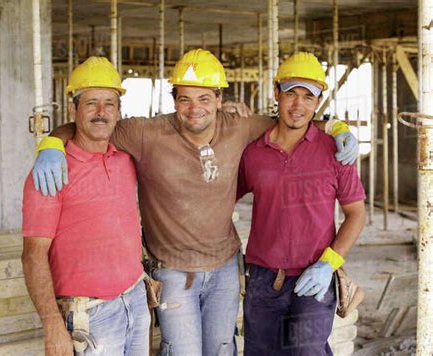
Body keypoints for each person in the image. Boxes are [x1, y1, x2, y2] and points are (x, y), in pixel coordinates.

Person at [31, 49, 359, 355]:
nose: (194, 108)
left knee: (226, 349)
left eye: (204, 98)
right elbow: (91, 126)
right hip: (175, 271)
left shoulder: (240, 126)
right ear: (173, 100)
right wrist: (51, 142)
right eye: (185, 99)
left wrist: (337, 125)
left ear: (220, 99)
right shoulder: (145, 134)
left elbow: (294, 121)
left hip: (225, 268)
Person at [237, 52, 366, 356]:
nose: (298, 106)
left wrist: (328, 264)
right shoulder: (253, 153)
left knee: (304, 350)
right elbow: (221, 198)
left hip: (315, 278)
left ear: (318, 103)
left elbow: (355, 214)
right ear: (276, 94)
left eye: (308, 97)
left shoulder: (335, 152)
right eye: (291, 93)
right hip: (262, 280)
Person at [21, 57, 150, 356]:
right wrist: (52, 324)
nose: (101, 112)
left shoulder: (125, 158)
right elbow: (32, 255)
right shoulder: (51, 171)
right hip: (90, 315)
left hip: (135, 301)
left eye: (110, 103)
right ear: (73, 109)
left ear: (119, 111)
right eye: (91, 103)